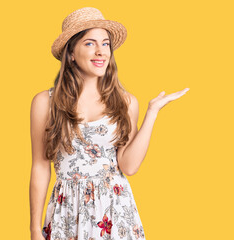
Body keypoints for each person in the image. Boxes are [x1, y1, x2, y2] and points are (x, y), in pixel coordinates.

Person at [29, 7, 189, 240]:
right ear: (71, 53)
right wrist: (34, 228)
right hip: (67, 214)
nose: (100, 51)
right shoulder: (46, 102)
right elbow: (40, 166)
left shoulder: (125, 102)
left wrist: (152, 112)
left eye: (105, 44)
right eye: (89, 43)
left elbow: (129, 166)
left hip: (115, 213)